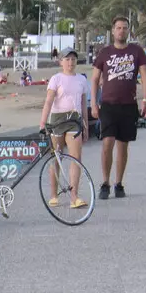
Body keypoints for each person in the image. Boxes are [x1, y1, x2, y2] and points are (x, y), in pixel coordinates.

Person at [90, 16, 146, 199]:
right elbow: (94, 79)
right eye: (118, 28)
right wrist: (94, 103)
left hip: (128, 105)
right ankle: (105, 182)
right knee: (107, 142)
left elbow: (145, 77)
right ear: (113, 30)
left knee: (123, 146)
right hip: (108, 104)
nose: (121, 31)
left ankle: (118, 183)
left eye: (125, 28)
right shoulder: (105, 52)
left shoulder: (136, 51)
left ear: (128, 31)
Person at [39, 49, 90, 208]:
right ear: (61, 61)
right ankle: (54, 194)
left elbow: (83, 103)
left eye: (73, 59)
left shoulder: (81, 79)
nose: (70, 62)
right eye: (67, 59)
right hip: (57, 119)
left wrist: (86, 125)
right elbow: (48, 101)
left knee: (76, 158)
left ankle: (74, 196)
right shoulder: (56, 79)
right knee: (56, 157)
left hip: (74, 119)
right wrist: (42, 123)